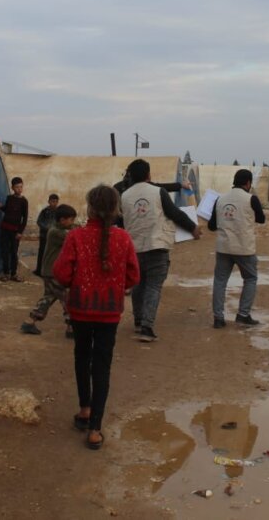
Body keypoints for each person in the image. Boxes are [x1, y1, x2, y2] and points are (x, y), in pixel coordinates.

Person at [53, 185, 140, 450]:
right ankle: (95, 430)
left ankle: (85, 409)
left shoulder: (76, 236)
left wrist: (80, 282)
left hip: (80, 310)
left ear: (90, 208)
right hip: (109, 313)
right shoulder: (123, 238)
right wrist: (114, 285)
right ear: (115, 210)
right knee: (102, 366)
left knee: (82, 357)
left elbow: (61, 273)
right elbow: (133, 276)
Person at [120, 159, 201, 342]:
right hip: (156, 246)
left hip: (134, 248)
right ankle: (147, 327)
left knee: (138, 284)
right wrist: (192, 228)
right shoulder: (158, 191)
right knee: (153, 286)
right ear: (148, 174)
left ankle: (138, 320)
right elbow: (174, 213)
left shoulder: (124, 196)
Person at [208, 169, 266, 328]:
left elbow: (211, 226)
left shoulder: (220, 199)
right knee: (250, 278)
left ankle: (218, 318)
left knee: (220, 281)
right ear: (248, 183)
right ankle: (243, 314)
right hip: (244, 248)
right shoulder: (251, 199)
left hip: (223, 247)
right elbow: (261, 219)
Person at [21, 203, 78, 337]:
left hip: (50, 271)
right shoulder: (55, 232)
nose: (72, 222)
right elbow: (74, 237)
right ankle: (71, 327)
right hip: (54, 272)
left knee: (49, 297)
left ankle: (29, 321)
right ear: (62, 220)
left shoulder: (61, 229)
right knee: (67, 297)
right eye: (71, 219)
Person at [0, 177, 28, 282]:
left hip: (15, 231)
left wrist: (20, 232)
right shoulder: (9, 198)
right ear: (12, 187)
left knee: (14, 252)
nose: (19, 189)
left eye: (21, 187)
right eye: (17, 187)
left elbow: (25, 218)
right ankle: (6, 273)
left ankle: (14, 273)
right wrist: (0, 206)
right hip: (5, 229)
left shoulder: (24, 201)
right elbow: (7, 210)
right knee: (5, 251)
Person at [34, 194, 60, 276]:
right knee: (42, 252)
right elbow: (39, 221)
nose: (54, 203)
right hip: (44, 236)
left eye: (56, 201)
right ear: (49, 202)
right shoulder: (44, 211)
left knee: (54, 254)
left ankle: (51, 271)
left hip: (55, 237)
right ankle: (39, 270)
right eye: (52, 201)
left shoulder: (59, 212)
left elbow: (61, 222)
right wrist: (46, 228)